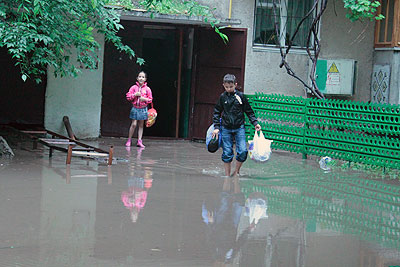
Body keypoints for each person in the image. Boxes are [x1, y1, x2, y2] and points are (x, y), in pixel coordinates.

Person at [212, 74, 261, 177]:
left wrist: (255, 123)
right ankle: (227, 176)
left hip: (239, 128)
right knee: (227, 152)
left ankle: (236, 172)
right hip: (225, 128)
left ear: (235, 85)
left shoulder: (241, 97)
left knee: (243, 151)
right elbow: (216, 112)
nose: (229, 89)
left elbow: (249, 112)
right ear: (223, 86)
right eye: (226, 87)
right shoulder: (222, 97)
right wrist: (216, 128)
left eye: (231, 87)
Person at [125, 71, 153, 148]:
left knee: (141, 125)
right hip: (135, 108)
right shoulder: (133, 88)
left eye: (143, 77)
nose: (141, 78)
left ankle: (139, 141)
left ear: (145, 79)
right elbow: (128, 96)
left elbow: (150, 99)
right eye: (140, 77)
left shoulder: (147, 89)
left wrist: (144, 99)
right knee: (133, 124)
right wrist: (135, 95)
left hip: (143, 109)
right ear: (137, 78)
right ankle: (129, 140)